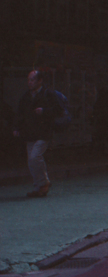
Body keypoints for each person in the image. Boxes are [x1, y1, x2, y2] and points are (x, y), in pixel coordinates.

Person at [14, 70, 62, 198]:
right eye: (29, 80)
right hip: (30, 132)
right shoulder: (26, 96)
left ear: (40, 81)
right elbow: (20, 113)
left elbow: (59, 110)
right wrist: (17, 127)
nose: (29, 83)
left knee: (35, 156)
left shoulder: (48, 94)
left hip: (43, 131)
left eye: (32, 80)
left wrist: (44, 111)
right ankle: (39, 186)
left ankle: (43, 183)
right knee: (31, 160)